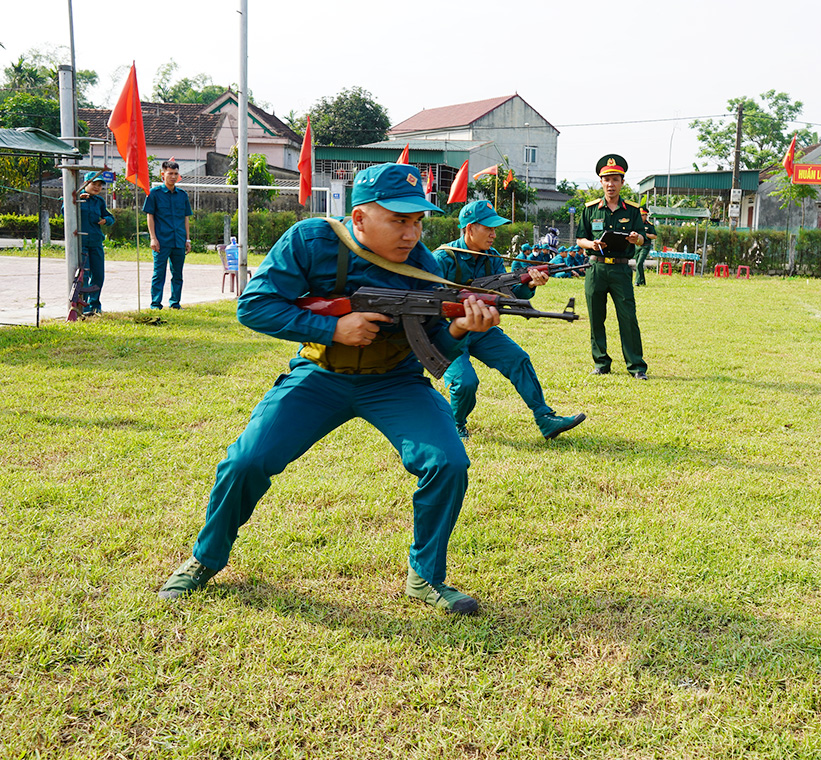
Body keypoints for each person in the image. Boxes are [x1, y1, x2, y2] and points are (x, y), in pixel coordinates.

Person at [158, 164, 501, 615]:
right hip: (320, 374)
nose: (412, 233)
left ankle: (426, 577)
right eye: (399, 220)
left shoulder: (424, 267)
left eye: (417, 221)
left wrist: (458, 329)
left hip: (395, 381)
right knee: (246, 461)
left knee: (449, 461)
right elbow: (254, 307)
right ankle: (206, 558)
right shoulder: (311, 240)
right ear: (359, 219)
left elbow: (430, 350)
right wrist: (331, 329)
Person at [434, 200, 586, 440]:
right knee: (465, 383)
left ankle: (545, 418)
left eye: (495, 229)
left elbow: (509, 295)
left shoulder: (492, 257)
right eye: (489, 228)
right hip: (450, 332)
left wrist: (531, 284)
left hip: (482, 327)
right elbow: (427, 300)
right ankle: (456, 424)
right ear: (470, 228)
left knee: (518, 360)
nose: (494, 234)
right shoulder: (444, 258)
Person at [576, 154, 648, 379]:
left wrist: (636, 238)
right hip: (595, 269)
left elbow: (643, 238)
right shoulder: (590, 209)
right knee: (596, 318)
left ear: (622, 182)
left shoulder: (633, 211)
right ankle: (601, 363)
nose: (611, 184)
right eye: (606, 179)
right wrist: (593, 244)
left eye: (615, 179)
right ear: (601, 182)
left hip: (621, 269)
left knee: (628, 317)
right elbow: (580, 239)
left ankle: (636, 367)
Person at [142, 159, 193, 309]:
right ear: (162, 175)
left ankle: (175, 303)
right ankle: (155, 303)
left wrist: (187, 239)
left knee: (177, 274)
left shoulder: (182, 195)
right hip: (161, 241)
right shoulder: (154, 194)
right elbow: (150, 216)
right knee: (159, 273)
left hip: (178, 240)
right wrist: (153, 238)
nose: (173, 176)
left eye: (175, 174)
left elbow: (186, 218)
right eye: (170, 173)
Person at [78, 171, 115, 314]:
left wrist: (106, 220)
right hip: (81, 243)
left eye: (100, 185)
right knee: (84, 275)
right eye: (94, 183)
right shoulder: (75, 196)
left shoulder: (99, 201)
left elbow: (109, 216)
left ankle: (95, 305)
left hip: (96, 242)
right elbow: (65, 211)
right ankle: (83, 305)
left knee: (98, 274)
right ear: (86, 183)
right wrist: (76, 199)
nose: (97, 187)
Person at [634, 206, 657, 286]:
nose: (641, 217)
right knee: (638, 264)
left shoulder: (649, 225)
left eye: (643, 215)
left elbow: (654, 236)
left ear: (646, 215)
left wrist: (646, 234)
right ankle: (642, 281)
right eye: (640, 215)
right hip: (637, 246)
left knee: (639, 263)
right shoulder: (636, 225)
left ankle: (637, 281)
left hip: (645, 246)